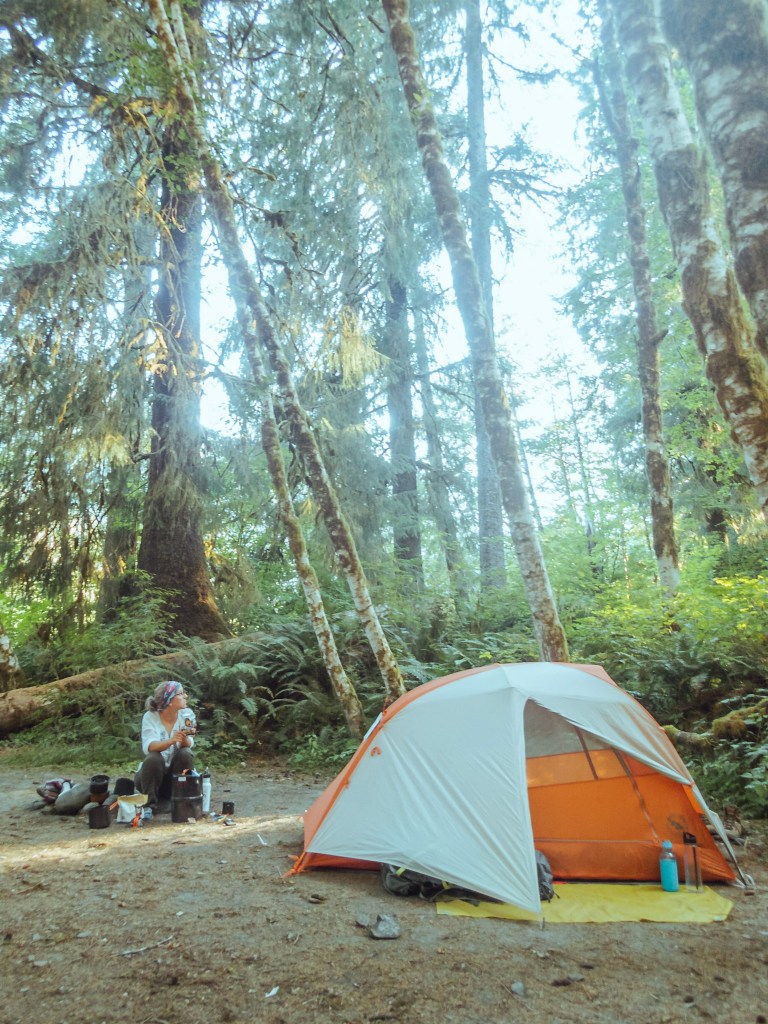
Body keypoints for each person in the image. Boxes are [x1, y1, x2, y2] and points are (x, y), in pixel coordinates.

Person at [136, 680, 196, 812]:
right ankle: (150, 805)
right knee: (153, 757)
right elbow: (149, 746)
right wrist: (171, 741)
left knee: (185, 753)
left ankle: (181, 799)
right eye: (180, 694)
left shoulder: (187, 715)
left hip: (173, 779)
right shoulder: (150, 716)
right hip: (150, 779)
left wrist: (184, 737)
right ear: (169, 701)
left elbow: (189, 744)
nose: (185, 696)